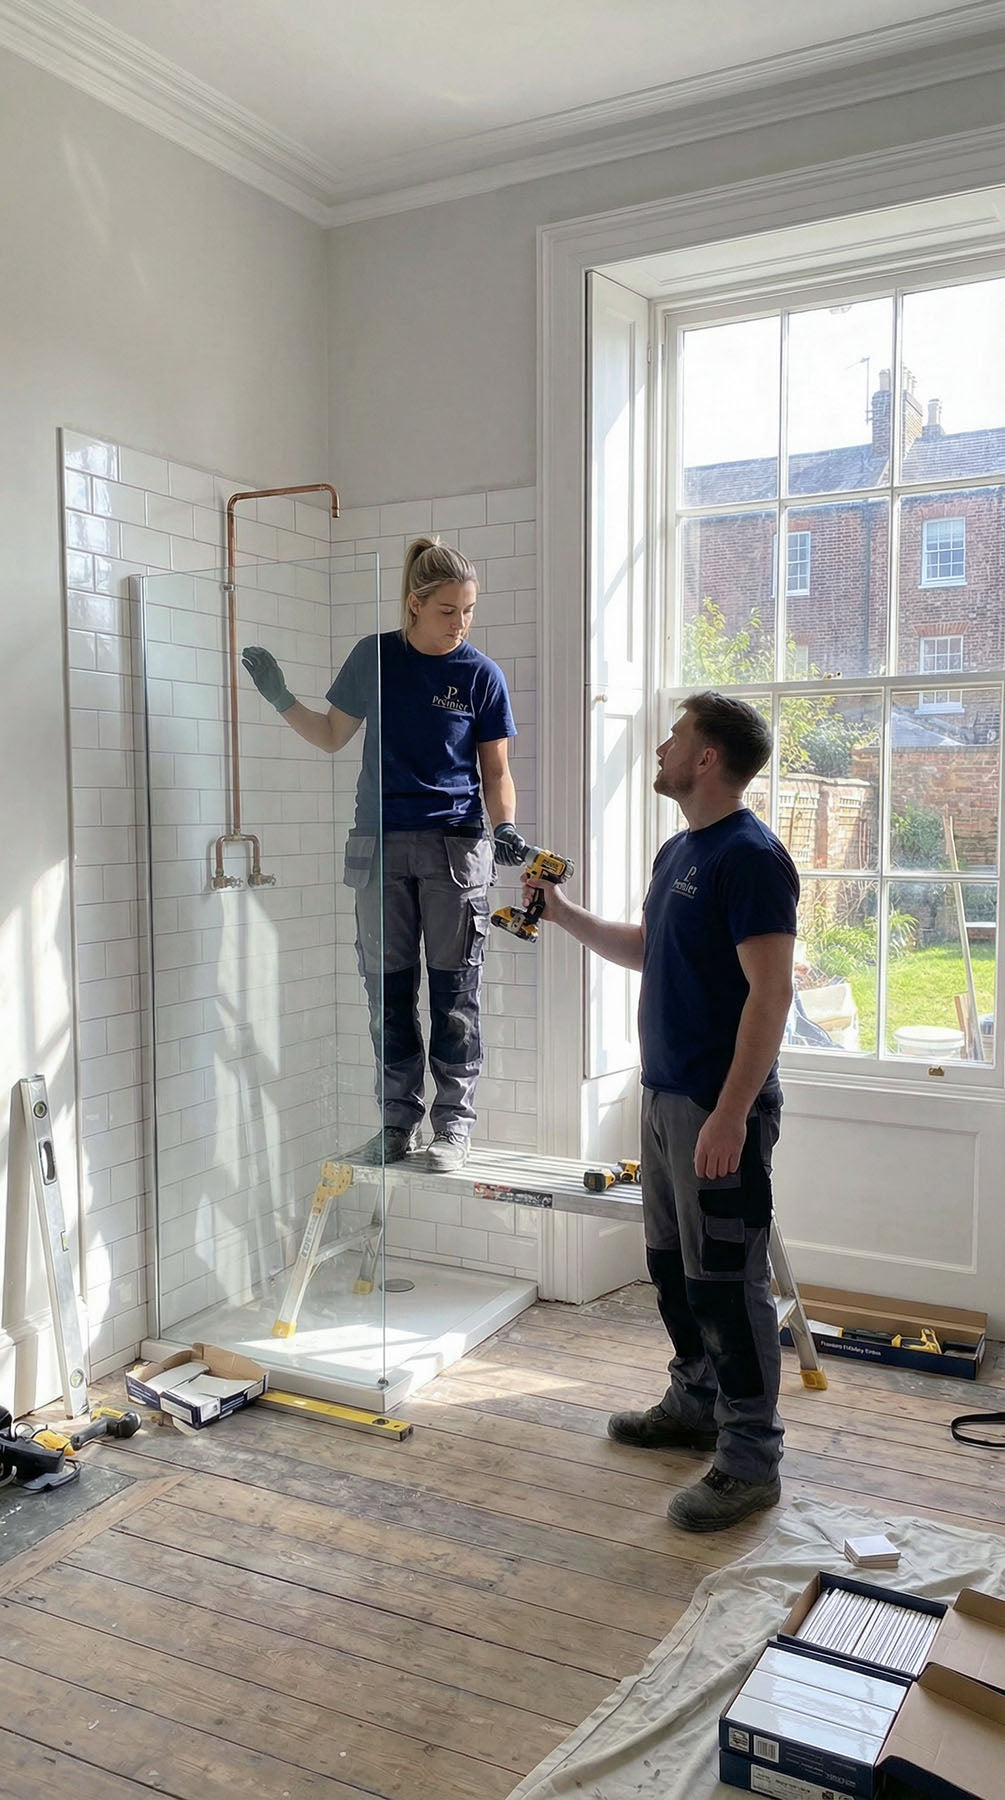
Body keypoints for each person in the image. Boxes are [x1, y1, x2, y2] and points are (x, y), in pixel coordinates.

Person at [528, 693, 798, 1532]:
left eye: (676, 736)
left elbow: (771, 992)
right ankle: (694, 1406)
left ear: (707, 759)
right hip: (665, 1095)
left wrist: (729, 1115)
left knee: (728, 1282)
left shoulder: (750, 858)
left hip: (718, 1110)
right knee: (672, 1268)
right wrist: (563, 915)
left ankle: (750, 1461)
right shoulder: (680, 848)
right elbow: (650, 950)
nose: (661, 746)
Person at [242, 537, 528, 1173]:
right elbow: (330, 736)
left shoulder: (480, 675)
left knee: (455, 993)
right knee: (389, 994)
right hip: (380, 849)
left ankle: (453, 1128)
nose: (462, 623)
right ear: (414, 605)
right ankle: (397, 1125)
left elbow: (496, 769)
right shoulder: (374, 659)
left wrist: (505, 827)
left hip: (455, 850)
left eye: (469, 610)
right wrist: (280, 696)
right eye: (449, 610)